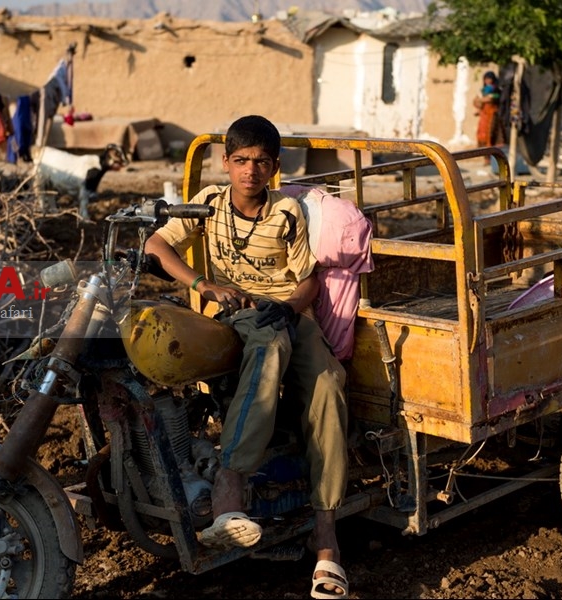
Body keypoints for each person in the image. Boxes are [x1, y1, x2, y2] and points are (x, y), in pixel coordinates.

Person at [144, 115, 350, 599]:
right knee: (267, 344)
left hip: (289, 315)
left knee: (328, 384)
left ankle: (327, 540)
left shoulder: (287, 213)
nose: (250, 171)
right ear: (226, 163)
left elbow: (309, 279)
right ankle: (229, 493)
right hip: (240, 317)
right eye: (240, 161)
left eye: (260, 163)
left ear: (274, 167)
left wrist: (291, 307)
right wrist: (202, 283)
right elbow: (155, 243)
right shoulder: (207, 209)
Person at [473, 70, 504, 163]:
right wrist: (481, 103)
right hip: (484, 117)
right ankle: (486, 158)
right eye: (486, 79)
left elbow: (491, 99)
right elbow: (476, 101)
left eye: (489, 79)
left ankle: (494, 159)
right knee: (482, 136)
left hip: (493, 116)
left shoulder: (497, 90)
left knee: (491, 136)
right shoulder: (483, 90)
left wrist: (482, 100)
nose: (488, 81)